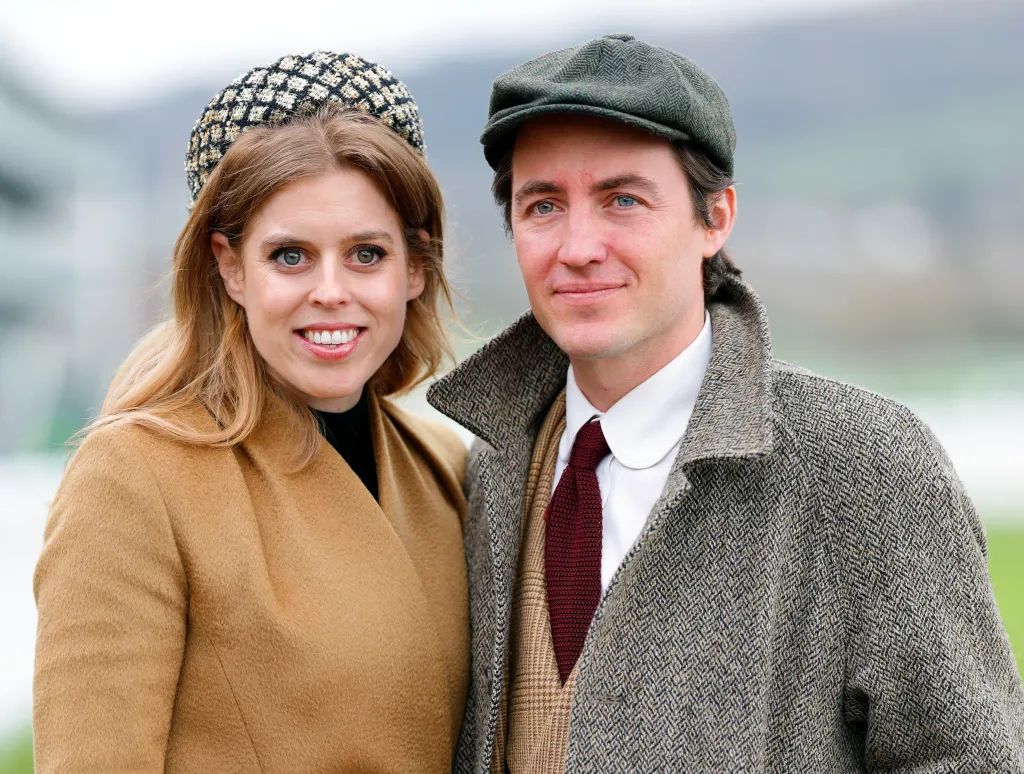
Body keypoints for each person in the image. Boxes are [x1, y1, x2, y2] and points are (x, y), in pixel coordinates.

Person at [427, 34, 1024, 772]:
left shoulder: (866, 463)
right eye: (544, 204)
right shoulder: (489, 466)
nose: (578, 246)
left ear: (716, 218)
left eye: (622, 200)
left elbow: (972, 759)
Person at [33, 52, 469, 773]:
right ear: (229, 267)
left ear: (415, 267)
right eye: (290, 256)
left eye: (366, 254)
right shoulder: (134, 479)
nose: (331, 291)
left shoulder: (447, 468)